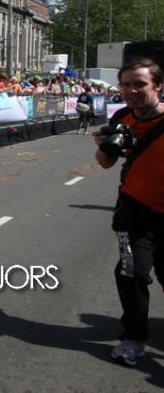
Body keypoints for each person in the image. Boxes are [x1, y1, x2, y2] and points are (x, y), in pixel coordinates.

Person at [93, 58, 164, 367]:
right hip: (134, 209)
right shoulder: (122, 117)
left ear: (157, 86)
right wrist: (104, 145)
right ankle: (134, 337)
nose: (132, 91)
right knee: (130, 271)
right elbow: (105, 163)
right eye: (125, 85)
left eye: (140, 84)